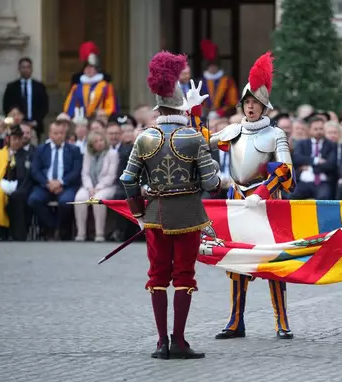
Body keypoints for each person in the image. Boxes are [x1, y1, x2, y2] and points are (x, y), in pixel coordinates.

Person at [119, 51, 220, 360]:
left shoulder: (144, 138)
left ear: (158, 108)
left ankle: (161, 342)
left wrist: (138, 213)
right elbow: (212, 183)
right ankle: (179, 341)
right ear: (181, 107)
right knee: (185, 276)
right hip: (188, 213)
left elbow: (127, 180)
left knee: (158, 275)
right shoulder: (192, 137)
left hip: (154, 215)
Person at [205, 52, 296, 340]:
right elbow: (201, 140)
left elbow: (285, 170)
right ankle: (235, 321)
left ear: (263, 106)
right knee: (236, 259)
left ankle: (282, 321)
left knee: (273, 261)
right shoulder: (232, 130)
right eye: (247, 102)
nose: (250, 107)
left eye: (255, 103)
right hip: (236, 199)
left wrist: (262, 191)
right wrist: (192, 113)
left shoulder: (276, 134)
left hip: (266, 203)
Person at [28, 121, 83, 240]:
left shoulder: (74, 150)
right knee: (33, 200)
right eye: (56, 133)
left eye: (62, 133)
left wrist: (61, 182)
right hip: (45, 185)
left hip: (66, 185)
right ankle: (52, 226)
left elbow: (76, 171)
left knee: (66, 202)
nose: (59, 136)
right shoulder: (41, 149)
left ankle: (60, 229)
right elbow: (35, 171)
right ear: (50, 134)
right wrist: (48, 183)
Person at [73, 130, 119, 242]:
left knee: (97, 199)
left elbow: (111, 176)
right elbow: (85, 173)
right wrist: (89, 188)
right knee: (79, 198)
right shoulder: (88, 154)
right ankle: (81, 233)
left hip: (107, 186)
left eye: (101, 140)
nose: (99, 143)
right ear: (91, 144)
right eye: (96, 141)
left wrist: (98, 188)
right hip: (90, 186)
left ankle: (99, 233)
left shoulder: (112, 154)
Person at [64, 42, 118, 119]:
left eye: (91, 67)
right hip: (80, 120)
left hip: (100, 120)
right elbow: (70, 105)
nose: (88, 69)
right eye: (86, 67)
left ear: (97, 70)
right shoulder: (76, 87)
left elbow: (111, 106)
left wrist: (104, 113)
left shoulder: (106, 86)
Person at [199, 39, 239, 118]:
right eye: (210, 64)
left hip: (223, 118)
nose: (212, 67)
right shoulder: (199, 82)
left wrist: (220, 113)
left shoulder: (228, 81)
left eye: (215, 64)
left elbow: (233, 102)